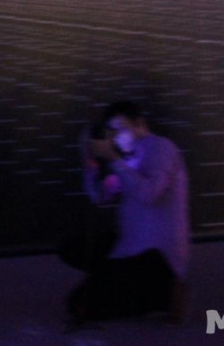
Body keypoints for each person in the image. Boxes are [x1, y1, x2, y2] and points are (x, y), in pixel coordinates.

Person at [69, 100, 189, 323]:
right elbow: (101, 196)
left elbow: (150, 194)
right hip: (131, 249)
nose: (116, 137)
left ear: (140, 124)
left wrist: (115, 160)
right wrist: (90, 162)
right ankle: (116, 281)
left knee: (83, 304)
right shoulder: (128, 159)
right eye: (112, 132)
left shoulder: (161, 147)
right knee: (71, 247)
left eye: (120, 129)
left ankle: (169, 292)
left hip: (157, 256)